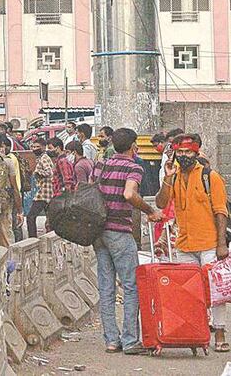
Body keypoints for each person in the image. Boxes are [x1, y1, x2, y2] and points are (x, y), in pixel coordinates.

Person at [156, 133, 230, 352]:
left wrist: (221, 244)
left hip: (209, 243)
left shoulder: (210, 176)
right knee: (190, 293)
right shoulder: (174, 175)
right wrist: (167, 177)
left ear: (196, 153)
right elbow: (161, 203)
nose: (184, 156)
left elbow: (220, 211)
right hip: (184, 245)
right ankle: (197, 332)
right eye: (180, 152)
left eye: (188, 152)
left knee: (215, 291)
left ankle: (219, 332)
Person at [93, 128, 162, 355]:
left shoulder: (102, 165)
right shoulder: (133, 167)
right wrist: (150, 210)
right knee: (131, 286)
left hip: (99, 232)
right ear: (134, 146)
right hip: (120, 232)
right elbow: (129, 194)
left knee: (106, 288)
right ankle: (131, 340)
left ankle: (111, 340)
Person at [27, 139, 54, 239]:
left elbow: (49, 172)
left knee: (31, 216)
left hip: (44, 192)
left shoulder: (44, 158)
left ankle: (32, 239)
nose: (34, 149)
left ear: (43, 147)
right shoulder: (41, 158)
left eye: (37, 147)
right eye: (33, 147)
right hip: (45, 191)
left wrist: (38, 173)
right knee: (50, 218)